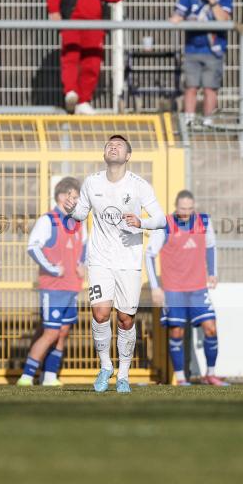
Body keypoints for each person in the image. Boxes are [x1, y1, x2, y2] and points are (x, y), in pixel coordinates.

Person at [63, 135, 166, 393]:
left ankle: (123, 375)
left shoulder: (139, 185)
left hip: (128, 262)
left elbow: (161, 219)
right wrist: (71, 209)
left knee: (125, 319)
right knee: (100, 313)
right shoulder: (92, 182)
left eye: (119, 145)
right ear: (104, 153)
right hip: (99, 260)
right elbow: (80, 214)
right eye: (110, 144)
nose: (113, 147)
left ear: (128, 156)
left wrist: (141, 222)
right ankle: (106, 366)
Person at [145, 190, 227, 386]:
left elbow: (211, 246)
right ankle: (181, 378)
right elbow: (149, 255)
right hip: (174, 290)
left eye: (189, 209)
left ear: (194, 207)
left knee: (211, 328)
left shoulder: (204, 222)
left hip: (198, 289)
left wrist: (213, 272)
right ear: (176, 206)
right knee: (177, 332)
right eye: (182, 208)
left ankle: (210, 374)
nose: (186, 212)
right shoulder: (165, 224)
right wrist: (155, 287)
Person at [18, 177, 87, 387]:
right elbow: (33, 247)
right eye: (73, 197)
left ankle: (49, 376)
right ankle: (26, 377)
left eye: (78, 197)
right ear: (61, 196)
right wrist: (52, 268)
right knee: (50, 332)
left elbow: (85, 245)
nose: (76, 201)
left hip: (72, 287)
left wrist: (82, 263)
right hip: (53, 288)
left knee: (63, 332)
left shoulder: (78, 222)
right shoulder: (48, 220)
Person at [47, 0, 123, 115]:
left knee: (92, 62)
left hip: (95, 24)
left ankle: (83, 100)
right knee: (71, 56)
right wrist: (54, 10)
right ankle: (71, 92)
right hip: (72, 20)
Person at [170, 0, 233, 128]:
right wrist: (178, 17)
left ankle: (208, 120)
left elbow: (223, 19)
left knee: (210, 87)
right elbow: (179, 13)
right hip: (192, 46)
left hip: (214, 48)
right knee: (191, 85)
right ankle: (189, 119)